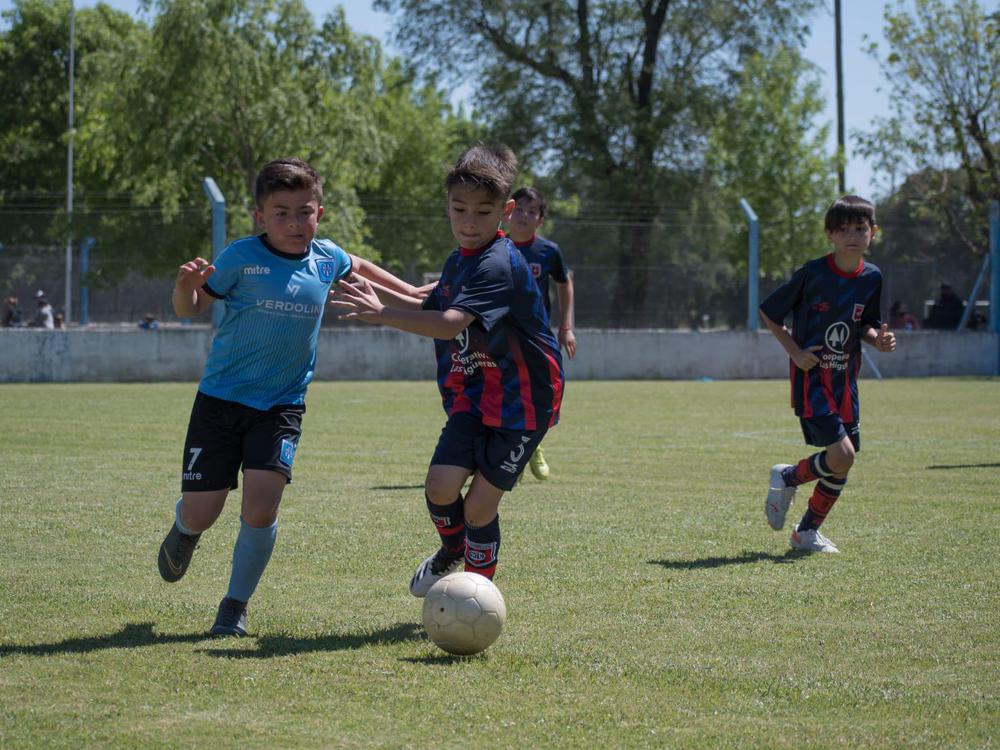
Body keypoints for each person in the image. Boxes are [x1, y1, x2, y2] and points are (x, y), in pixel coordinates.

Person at [156, 158, 425, 636]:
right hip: (220, 402)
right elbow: (190, 309)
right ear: (260, 216)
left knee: (261, 507)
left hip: (282, 406)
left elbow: (359, 267)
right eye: (281, 213)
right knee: (204, 510)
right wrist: (184, 288)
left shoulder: (325, 258)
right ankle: (185, 530)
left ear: (319, 213)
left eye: (305, 211)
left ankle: (233, 608)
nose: (295, 223)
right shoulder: (240, 257)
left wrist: (414, 294)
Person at [330, 144, 564, 596]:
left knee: (478, 509)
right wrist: (359, 270)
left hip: (524, 401)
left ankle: (475, 593)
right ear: (448, 206)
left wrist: (380, 313)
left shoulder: (498, 262)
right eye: (460, 209)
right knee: (439, 487)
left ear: (506, 211)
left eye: (483, 211)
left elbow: (449, 323)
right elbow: (426, 300)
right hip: (477, 392)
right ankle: (451, 549)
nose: (470, 221)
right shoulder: (460, 259)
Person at [759, 195, 896, 553]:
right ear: (830, 235)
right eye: (843, 229)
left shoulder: (872, 277)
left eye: (860, 229)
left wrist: (877, 341)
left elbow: (865, 324)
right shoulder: (813, 274)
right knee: (843, 455)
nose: (852, 235)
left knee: (842, 464)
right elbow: (770, 312)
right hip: (813, 379)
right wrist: (795, 352)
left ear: (873, 233)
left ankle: (806, 533)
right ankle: (788, 477)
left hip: (845, 382)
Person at [505, 186, 575, 481]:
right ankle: (510, 457)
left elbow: (564, 283)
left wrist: (566, 326)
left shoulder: (548, 251)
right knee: (504, 394)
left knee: (543, 395)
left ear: (540, 220)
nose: (524, 215)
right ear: (507, 212)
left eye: (532, 211)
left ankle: (534, 445)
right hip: (500, 335)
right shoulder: (495, 247)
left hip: (538, 337)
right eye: (519, 209)